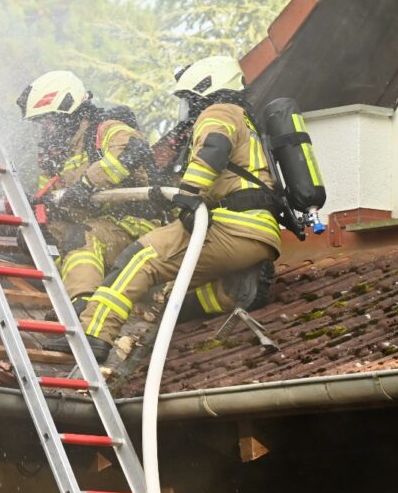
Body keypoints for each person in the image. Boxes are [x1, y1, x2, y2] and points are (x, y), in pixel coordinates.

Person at [45, 56, 282, 362]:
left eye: (188, 99)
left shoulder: (218, 111)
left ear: (205, 90)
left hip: (230, 224)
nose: (187, 109)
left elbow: (214, 149)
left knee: (139, 259)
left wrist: (188, 194)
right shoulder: (245, 119)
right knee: (167, 289)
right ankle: (230, 291)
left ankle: (94, 335)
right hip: (258, 231)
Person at [16, 70, 160, 336]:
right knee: (36, 235)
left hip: (137, 227)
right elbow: (50, 196)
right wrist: (41, 210)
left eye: (49, 120)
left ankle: (82, 307)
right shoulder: (55, 153)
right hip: (97, 224)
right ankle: (72, 286)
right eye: (41, 123)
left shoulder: (106, 129)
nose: (46, 129)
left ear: (69, 111)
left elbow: (133, 151)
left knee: (80, 236)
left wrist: (86, 184)